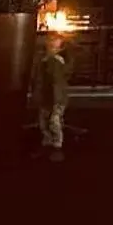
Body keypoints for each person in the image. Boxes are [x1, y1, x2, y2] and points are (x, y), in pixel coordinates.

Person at [33, 26, 71, 160]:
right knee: (43, 120)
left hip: (56, 98)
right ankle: (47, 139)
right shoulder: (42, 62)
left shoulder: (57, 63)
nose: (51, 50)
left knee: (54, 120)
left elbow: (60, 79)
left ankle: (57, 142)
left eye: (54, 47)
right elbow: (38, 79)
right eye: (50, 47)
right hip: (46, 97)